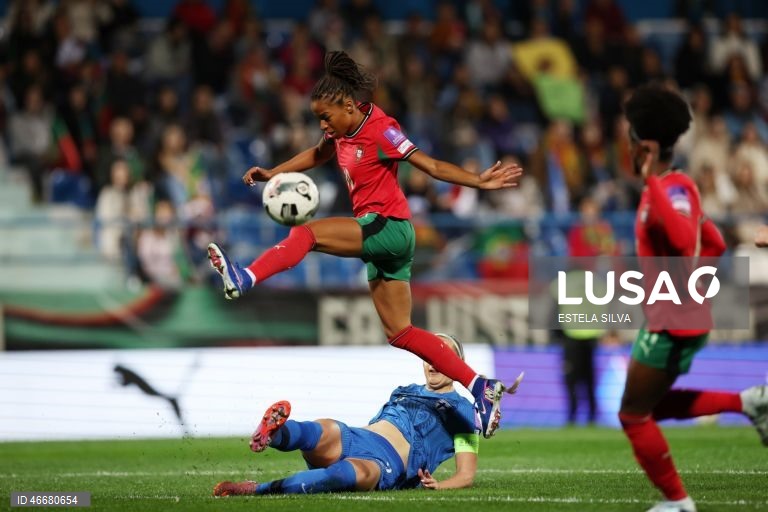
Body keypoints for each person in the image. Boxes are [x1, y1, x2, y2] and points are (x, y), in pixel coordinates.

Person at [206, 51, 523, 438]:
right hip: (376, 234)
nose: (323, 125)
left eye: (326, 117)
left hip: (389, 227)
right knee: (400, 332)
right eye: (318, 118)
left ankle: (246, 276)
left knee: (307, 234)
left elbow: (432, 166)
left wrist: (479, 181)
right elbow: (318, 153)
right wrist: (275, 171)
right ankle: (481, 388)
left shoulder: (383, 129)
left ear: (350, 106)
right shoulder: (337, 132)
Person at [620, 84, 768, 512]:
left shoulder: (672, 188)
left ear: (645, 147)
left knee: (632, 415)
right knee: (651, 406)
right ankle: (748, 401)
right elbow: (714, 242)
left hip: (671, 321)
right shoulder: (676, 189)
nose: (626, 148)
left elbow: (686, 240)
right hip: (679, 313)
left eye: (631, 140)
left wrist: (683, 290)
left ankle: (679, 503)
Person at [213, 334, 518, 496]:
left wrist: (441, 485)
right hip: (359, 436)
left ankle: (256, 489)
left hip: (387, 463)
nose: (433, 362)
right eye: (429, 355)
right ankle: (273, 434)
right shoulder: (403, 389)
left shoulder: (465, 411)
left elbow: (466, 474)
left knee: (344, 474)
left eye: (443, 356)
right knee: (325, 429)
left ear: (458, 364)